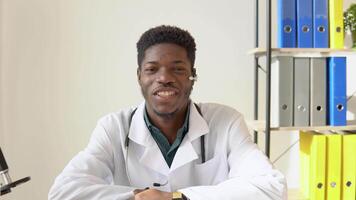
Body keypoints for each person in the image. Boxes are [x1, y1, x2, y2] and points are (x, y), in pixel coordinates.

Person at [48, 25, 287, 200]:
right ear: (139, 76)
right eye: (152, 69)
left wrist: (177, 197)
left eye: (178, 69)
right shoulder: (114, 127)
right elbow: (63, 192)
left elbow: (272, 189)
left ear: (193, 76)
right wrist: (138, 197)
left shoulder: (226, 121)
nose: (164, 78)